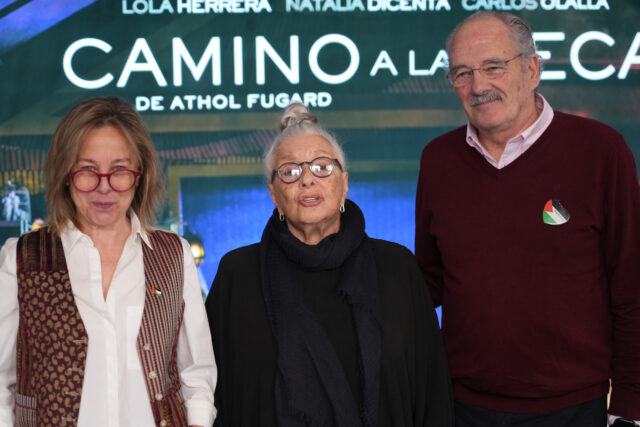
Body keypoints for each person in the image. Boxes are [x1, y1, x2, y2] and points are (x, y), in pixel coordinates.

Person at [415, 11, 640, 427]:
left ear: (532, 69)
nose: (478, 86)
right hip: (462, 407)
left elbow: (632, 286)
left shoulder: (602, 152)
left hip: (574, 410)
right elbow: (429, 280)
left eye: (494, 67)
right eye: (462, 73)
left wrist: (630, 403)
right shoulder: (437, 160)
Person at [206, 102, 454, 427]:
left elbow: (432, 388)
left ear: (345, 183)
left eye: (322, 167)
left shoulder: (396, 267)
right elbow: (211, 393)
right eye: (290, 172)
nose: (307, 180)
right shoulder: (237, 275)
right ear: (273, 194)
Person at [0, 97, 217, 427]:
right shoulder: (21, 258)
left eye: (119, 171)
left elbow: (196, 375)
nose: (104, 187)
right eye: (88, 170)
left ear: (139, 174)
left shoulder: (175, 254)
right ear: (65, 174)